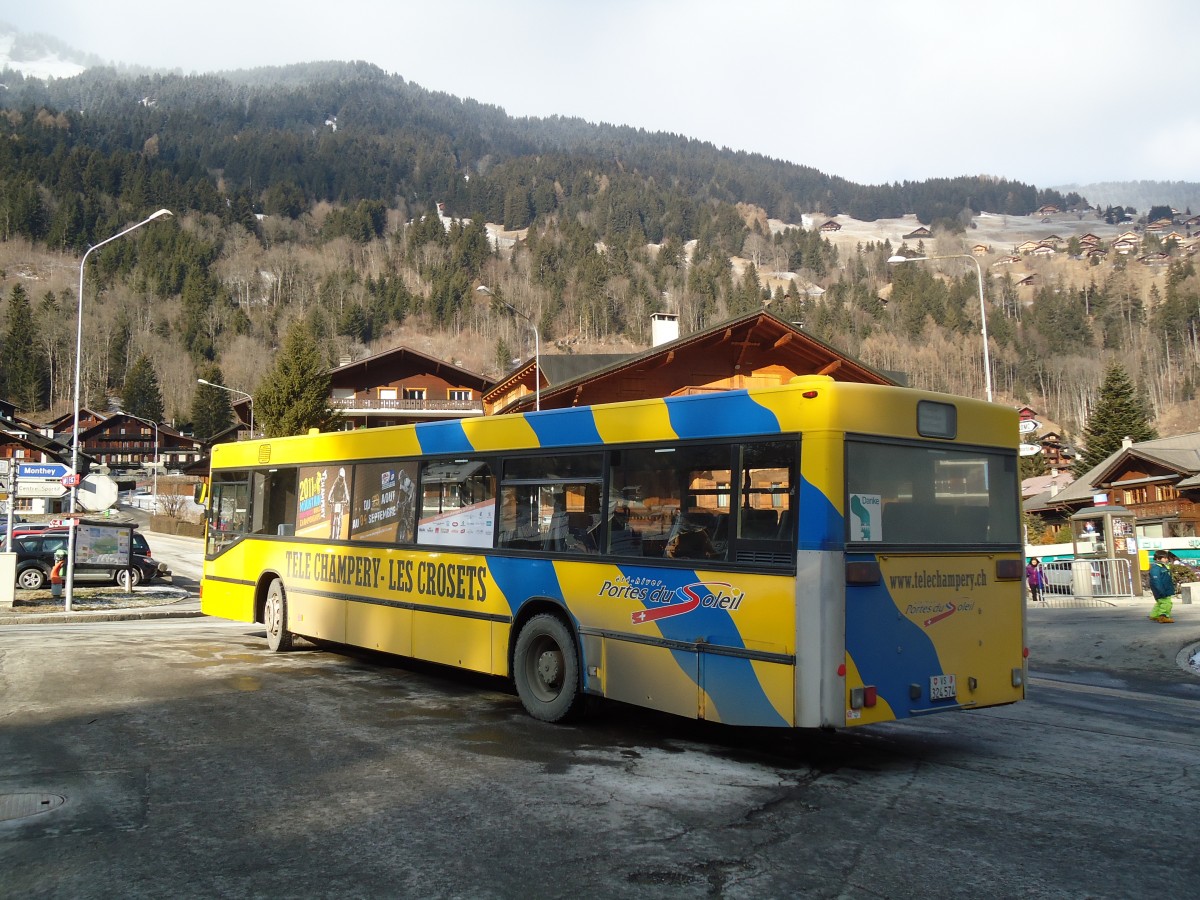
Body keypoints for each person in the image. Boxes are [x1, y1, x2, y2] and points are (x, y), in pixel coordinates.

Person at [1148, 550, 1176, 623]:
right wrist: (1161, 590)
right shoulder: (1156, 568)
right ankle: (1163, 616)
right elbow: (1156, 581)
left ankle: (1154, 615)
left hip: (1165, 589)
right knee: (1166, 603)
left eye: (1167, 558)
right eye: (1164, 558)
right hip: (1161, 590)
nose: (1166, 559)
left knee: (1160, 603)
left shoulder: (1163, 567)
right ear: (1158, 559)